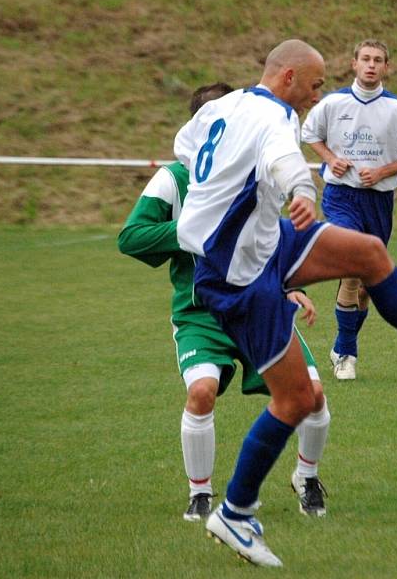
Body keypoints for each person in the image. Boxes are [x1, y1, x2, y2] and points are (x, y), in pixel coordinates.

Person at [174, 39, 397, 567]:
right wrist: (302, 191)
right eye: (316, 83)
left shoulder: (223, 105)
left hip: (261, 242)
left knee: (369, 254)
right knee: (297, 400)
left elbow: (186, 146)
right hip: (237, 274)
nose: (318, 93)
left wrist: (223, 198)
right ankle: (234, 512)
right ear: (287, 79)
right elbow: (285, 162)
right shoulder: (276, 119)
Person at [118, 82, 331, 522]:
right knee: (201, 392)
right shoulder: (173, 179)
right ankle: (201, 493)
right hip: (201, 312)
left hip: (259, 305)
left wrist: (293, 287)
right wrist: (194, 234)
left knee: (312, 394)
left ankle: (306, 478)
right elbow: (132, 237)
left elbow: (271, 241)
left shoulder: (254, 174)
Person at [301, 39, 397, 381]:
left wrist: (384, 171)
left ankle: (344, 344)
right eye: (366, 59)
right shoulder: (334, 102)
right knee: (353, 269)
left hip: (378, 202)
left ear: (386, 68)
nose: (371, 65)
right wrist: (330, 159)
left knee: (368, 283)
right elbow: (309, 132)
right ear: (354, 63)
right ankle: (347, 353)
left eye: (378, 60)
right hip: (341, 197)